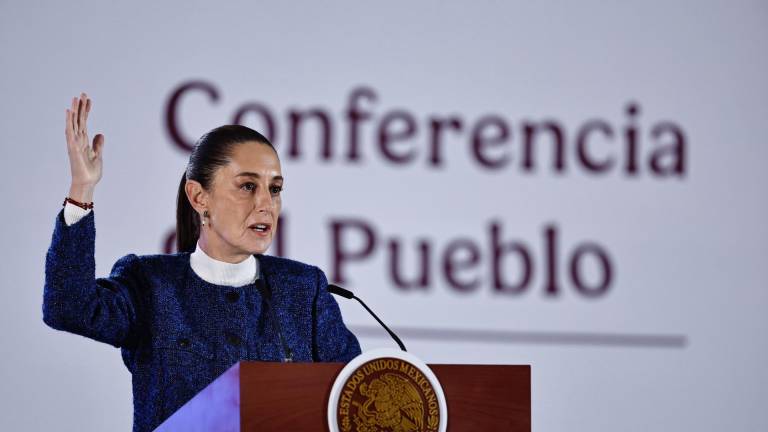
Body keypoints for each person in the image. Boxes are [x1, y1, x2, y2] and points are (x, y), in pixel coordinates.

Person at [42, 92, 362, 432]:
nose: (266, 203)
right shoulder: (150, 284)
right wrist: (82, 191)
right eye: (248, 186)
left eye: (275, 188)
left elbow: (353, 397)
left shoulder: (302, 290)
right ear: (199, 197)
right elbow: (67, 307)